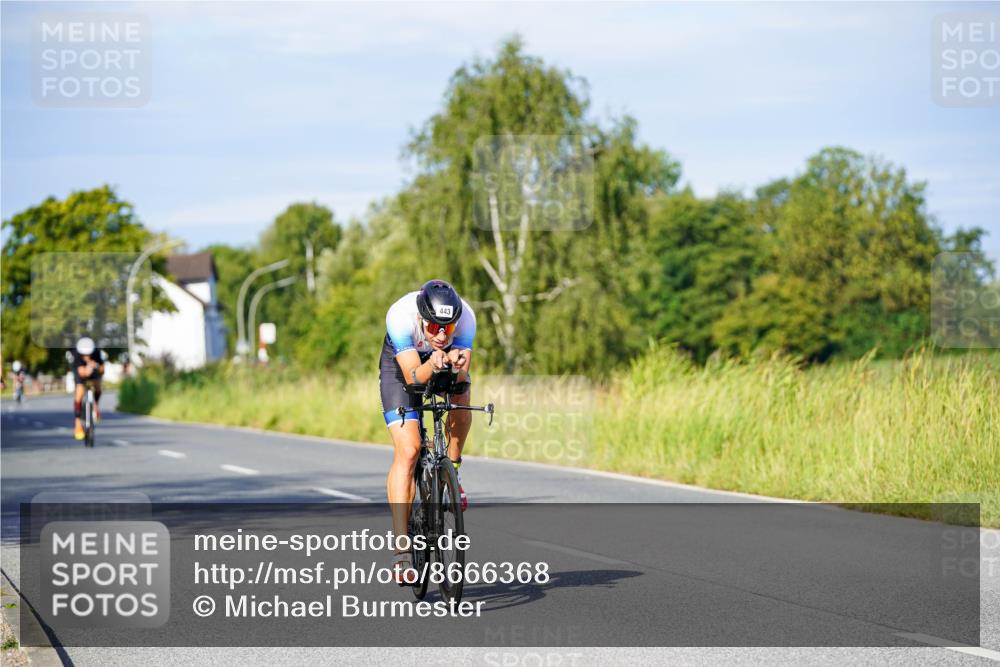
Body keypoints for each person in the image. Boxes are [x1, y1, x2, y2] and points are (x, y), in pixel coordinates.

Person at [380, 280, 476, 584]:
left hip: (439, 362)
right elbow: (413, 378)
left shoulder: (467, 318)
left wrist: (456, 367)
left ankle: (452, 472)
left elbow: (461, 375)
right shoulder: (400, 316)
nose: (441, 335)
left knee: (461, 396)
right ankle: (401, 552)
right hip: (403, 368)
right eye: (433, 327)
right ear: (421, 318)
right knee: (409, 450)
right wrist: (433, 364)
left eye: (448, 329)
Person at [70, 337, 105, 440]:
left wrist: (96, 366)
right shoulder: (76, 354)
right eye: (84, 355)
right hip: (81, 372)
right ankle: (77, 424)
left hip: (93, 370)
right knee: (79, 392)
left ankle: (95, 406)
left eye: (89, 354)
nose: (87, 356)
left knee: (98, 386)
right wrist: (87, 370)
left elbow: (103, 370)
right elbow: (81, 372)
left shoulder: (97, 353)